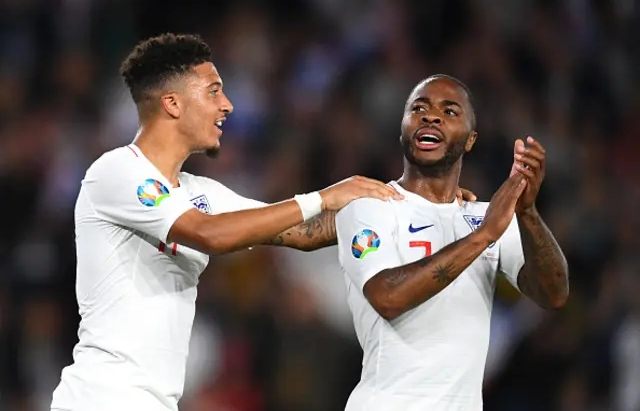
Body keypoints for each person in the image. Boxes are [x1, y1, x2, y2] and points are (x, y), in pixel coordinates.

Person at [48, 32, 411, 411]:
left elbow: (302, 232)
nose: (227, 105)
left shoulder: (201, 192)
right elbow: (210, 235)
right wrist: (320, 197)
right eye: (213, 92)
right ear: (172, 103)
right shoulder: (117, 171)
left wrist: (412, 211)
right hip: (100, 399)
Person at [335, 74, 570, 411]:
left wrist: (529, 213)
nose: (431, 116)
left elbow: (554, 294)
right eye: (419, 108)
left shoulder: (489, 216)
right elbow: (387, 296)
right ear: (402, 128)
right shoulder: (369, 207)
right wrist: (484, 236)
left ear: (471, 139)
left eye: (450, 112)